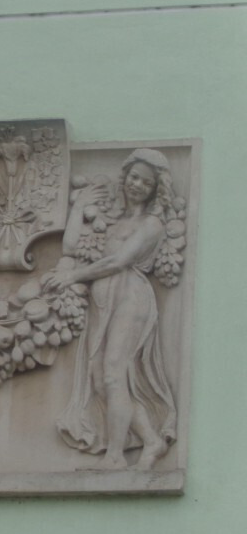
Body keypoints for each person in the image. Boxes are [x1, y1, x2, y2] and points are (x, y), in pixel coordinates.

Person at [42, 149, 177, 470]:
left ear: (155, 190)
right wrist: (79, 207)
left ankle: (115, 456)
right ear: (125, 176)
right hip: (102, 301)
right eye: (134, 177)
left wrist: (72, 276)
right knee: (101, 380)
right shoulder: (111, 219)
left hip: (130, 296)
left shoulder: (152, 223)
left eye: (146, 182)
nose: (137, 185)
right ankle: (151, 441)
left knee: (114, 373)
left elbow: (119, 261)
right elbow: (73, 249)